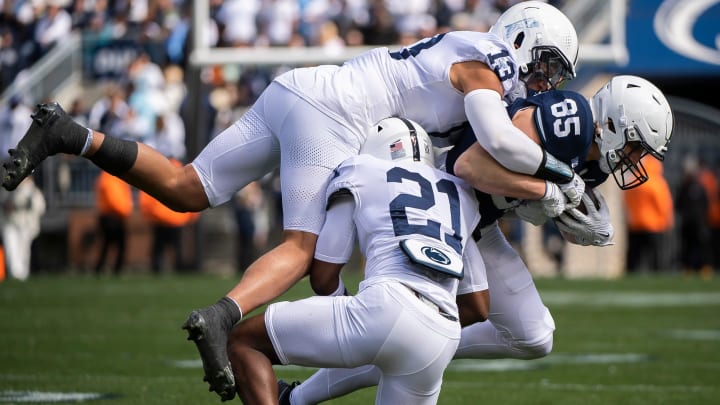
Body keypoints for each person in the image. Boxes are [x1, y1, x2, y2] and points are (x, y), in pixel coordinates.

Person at [0, 2, 581, 399]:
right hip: (337, 115)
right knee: (303, 252)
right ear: (522, 34)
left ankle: (70, 135)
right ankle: (223, 319)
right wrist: (562, 178)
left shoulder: (473, 53)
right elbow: (500, 141)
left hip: (300, 87)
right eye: (549, 62)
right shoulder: (493, 62)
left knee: (185, 188)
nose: (546, 79)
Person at [280, 76, 675, 404]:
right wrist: (545, 194)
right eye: (635, 145)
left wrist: (569, 222)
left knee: (534, 337)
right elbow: (471, 164)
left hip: (479, 224)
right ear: (612, 123)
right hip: (449, 208)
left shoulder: (593, 165)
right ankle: (303, 396)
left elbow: (527, 200)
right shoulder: (569, 120)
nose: (634, 159)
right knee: (428, 331)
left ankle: (318, 389)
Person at [227, 117, 486, 404]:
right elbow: (478, 305)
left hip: (384, 306)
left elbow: (323, 276)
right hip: (441, 335)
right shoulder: (459, 193)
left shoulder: (362, 169)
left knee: (244, 341)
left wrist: (353, 314)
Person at [623, 156, 674, 273]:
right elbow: (663, 204)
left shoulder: (633, 180)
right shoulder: (657, 182)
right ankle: (658, 274)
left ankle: (630, 275)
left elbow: (626, 202)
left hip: (635, 224)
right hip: (654, 225)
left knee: (634, 255)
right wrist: (668, 220)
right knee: (656, 255)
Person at [0, 177, 45, 281]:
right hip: (9, 223)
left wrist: (27, 206)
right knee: (11, 249)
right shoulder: (7, 187)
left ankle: (22, 275)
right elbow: (3, 202)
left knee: (24, 250)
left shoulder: (32, 190)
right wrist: (7, 206)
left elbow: (40, 207)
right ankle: (14, 274)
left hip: (25, 224)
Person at [93, 169, 133, 275]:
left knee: (109, 244)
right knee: (115, 244)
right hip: (112, 216)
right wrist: (125, 211)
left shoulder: (109, 177)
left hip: (111, 216)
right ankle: (114, 268)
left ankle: (103, 267)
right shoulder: (109, 178)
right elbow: (115, 200)